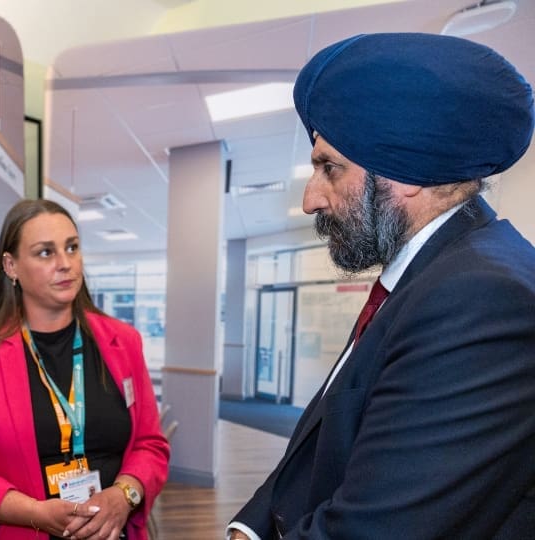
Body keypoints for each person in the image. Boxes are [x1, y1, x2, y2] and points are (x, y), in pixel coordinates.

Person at [228, 33, 535, 539]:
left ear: (405, 172)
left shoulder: (480, 297)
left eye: (330, 168)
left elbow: (378, 527)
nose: (310, 199)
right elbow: (323, 442)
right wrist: (250, 529)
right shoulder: (432, 275)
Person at [0, 199, 170, 539]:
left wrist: (124, 495)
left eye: (72, 248)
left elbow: (150, 445)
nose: (65, 263)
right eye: (45, 252)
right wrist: (35, 513)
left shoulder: (122, 342)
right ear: (11, 266)